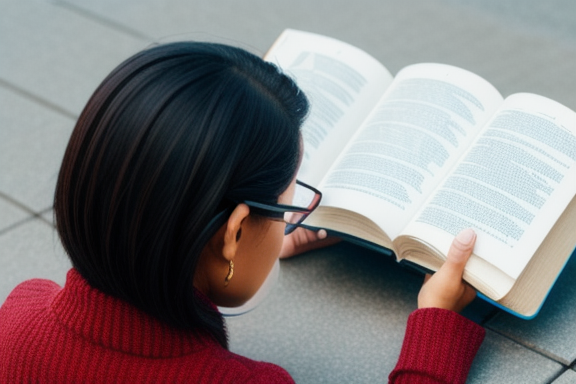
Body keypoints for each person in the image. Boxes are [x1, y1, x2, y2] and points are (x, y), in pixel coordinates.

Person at [0, 42, 484, 383]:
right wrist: (435, 326)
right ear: (232, 232)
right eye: (284, 207)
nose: (289, 220)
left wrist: (258, 239)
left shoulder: (17, 316)